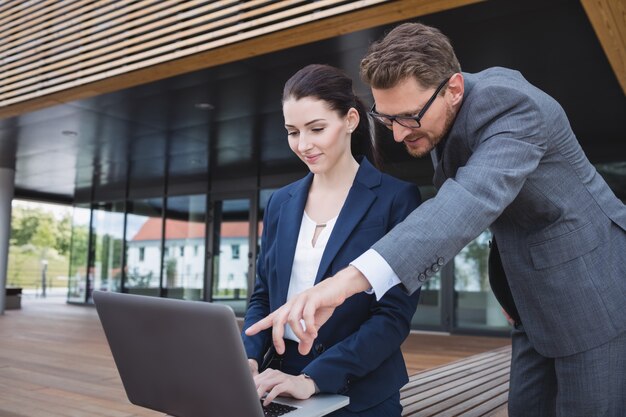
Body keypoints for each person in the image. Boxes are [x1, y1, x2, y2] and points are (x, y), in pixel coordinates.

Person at [247, 23, 626, 417]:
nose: (396, 135)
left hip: (593, 290)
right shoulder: (434, 115)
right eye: (387, 118)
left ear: (454, 89)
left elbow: (467, 202)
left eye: (408, 118)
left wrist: (340, 285)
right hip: (533, 306)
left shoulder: (514, 107)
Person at [242, 63, 422, 416]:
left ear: (351, 120)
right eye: (292, 132)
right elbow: (263, 296)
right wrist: (247, 359)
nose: (303, 144)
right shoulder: (281, 202)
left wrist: (313, 380)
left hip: (361, 387)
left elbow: (392, 317)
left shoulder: (395, 199)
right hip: (278, 379)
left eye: (317, 128)